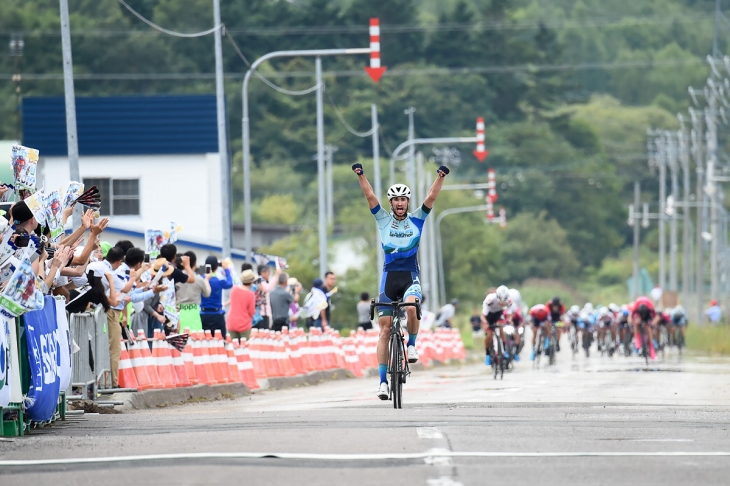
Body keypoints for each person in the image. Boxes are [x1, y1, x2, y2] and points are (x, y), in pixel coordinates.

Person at [352, 160, 449, 400]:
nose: (399, 203)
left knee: (412, 307)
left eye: (403, 199)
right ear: (391, 203)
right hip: (389, 279)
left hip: (410, 277)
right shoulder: (383, 219)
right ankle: (383, 382)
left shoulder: (417, 219)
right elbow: (370, 196)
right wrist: (360, 175)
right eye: (395, 200)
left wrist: (440, 177)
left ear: (407, 202)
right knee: (384, 331)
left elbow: (431, 198)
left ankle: (412, 344)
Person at [175, 251, 211, 332]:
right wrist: (207, 279)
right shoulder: (199, 280)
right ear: (195, 263)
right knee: (195, 339)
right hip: (194, 313)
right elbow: (207, 294)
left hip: (179, 313)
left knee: (180, 341)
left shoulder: (176, 278)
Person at [200, 256, 233, 338]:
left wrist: (205, 268)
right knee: (221, 341)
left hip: (203, 314)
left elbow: (200, 273)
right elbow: (230, 283)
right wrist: (226, 269)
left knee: (204, 342)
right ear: (217, 267)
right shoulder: (219, 281)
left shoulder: (201, 280)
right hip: (217, 315)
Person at [481, 286, 515, 364]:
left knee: (501, 328)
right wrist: (486, 323)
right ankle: (488, 354)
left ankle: (504, 350)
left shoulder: (509, 301)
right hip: (488, 315)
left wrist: (509, 321)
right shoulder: (490, 300)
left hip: (498, 314)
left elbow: (509, 315)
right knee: (489, 335)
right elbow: (483, 316)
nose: (502, 304)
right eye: (500, 303)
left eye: (503, 303)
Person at [227, 269, 256, 340]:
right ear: (251, 282)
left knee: (232, 347)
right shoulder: (251, 294)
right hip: (244, 324)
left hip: (232, 322)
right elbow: (251, 312)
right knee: (244, 348)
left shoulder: (234, 289)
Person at [255, 264, 278, 330]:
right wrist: (276, 274)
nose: (269, 274)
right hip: (262, 313)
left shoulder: (260, 281)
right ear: (262, 272)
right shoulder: (260, 281)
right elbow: (268, 288)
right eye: (268, 272)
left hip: (262, 313)